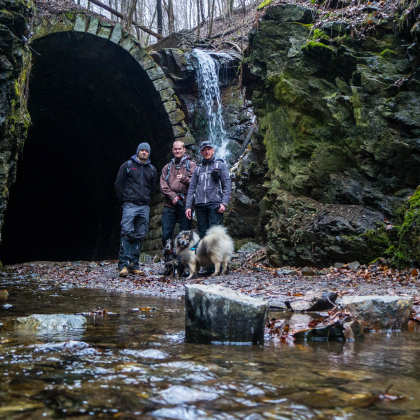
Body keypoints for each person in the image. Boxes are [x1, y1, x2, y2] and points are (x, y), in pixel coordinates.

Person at [115, 143, 157, 277]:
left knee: (139, 235)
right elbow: (118, 184)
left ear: (149, 153)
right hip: (130, 205)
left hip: (143, 206)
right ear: (138, 152)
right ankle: (123, 265)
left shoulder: (152, 169)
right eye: (142, 150)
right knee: (126, 233)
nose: (144, 153)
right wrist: (124, 200)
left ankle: (134, 265)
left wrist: (146, 199)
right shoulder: (127, 166)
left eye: (146, 151)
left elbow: (153, 187)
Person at [185, 140, 231, 240]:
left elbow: (227, 185)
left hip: (215, 204)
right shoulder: (197, 169)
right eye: (204, 150)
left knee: (215, 234)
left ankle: (216, 255)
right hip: (200, 205)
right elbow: (191, 188)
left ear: (213, 150)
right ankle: (204, 255)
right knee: (203, 233)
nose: (207, 152)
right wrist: (188, 206)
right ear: (201, 153)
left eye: (209, 149)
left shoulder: (220, 166)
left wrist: (224, 203)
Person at [160, 140, 197, 248]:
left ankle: (183, 260)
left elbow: (195, 182)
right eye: (175, 149)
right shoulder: (166, 167)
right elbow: (163, 185)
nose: (177, 151)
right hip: (169, 204)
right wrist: (173, 196)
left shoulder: (191, 165)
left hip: (185, 204)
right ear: (172, 150)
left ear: (184, 150)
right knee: (166, 233)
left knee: (185, 234)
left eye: (179, 149)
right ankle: (168, 258)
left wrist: (184, 179)